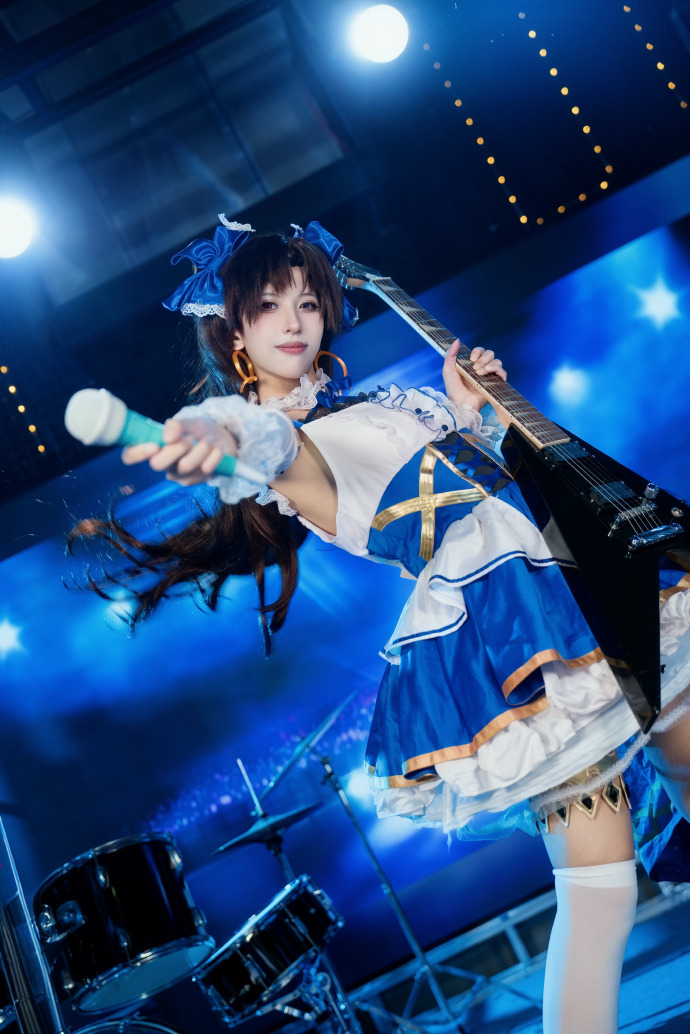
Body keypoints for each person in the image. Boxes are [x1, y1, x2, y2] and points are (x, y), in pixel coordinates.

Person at [77, 218, 690, 1034]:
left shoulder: (373, 402)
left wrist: (475, 413)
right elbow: (265, 442)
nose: (294, 322)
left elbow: (498, 473)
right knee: (602, 893)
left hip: (572, 566)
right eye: (268, 306)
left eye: (307, 302)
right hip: (516, 627)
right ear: (235, 333)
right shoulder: (292, 447)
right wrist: (217, 433)